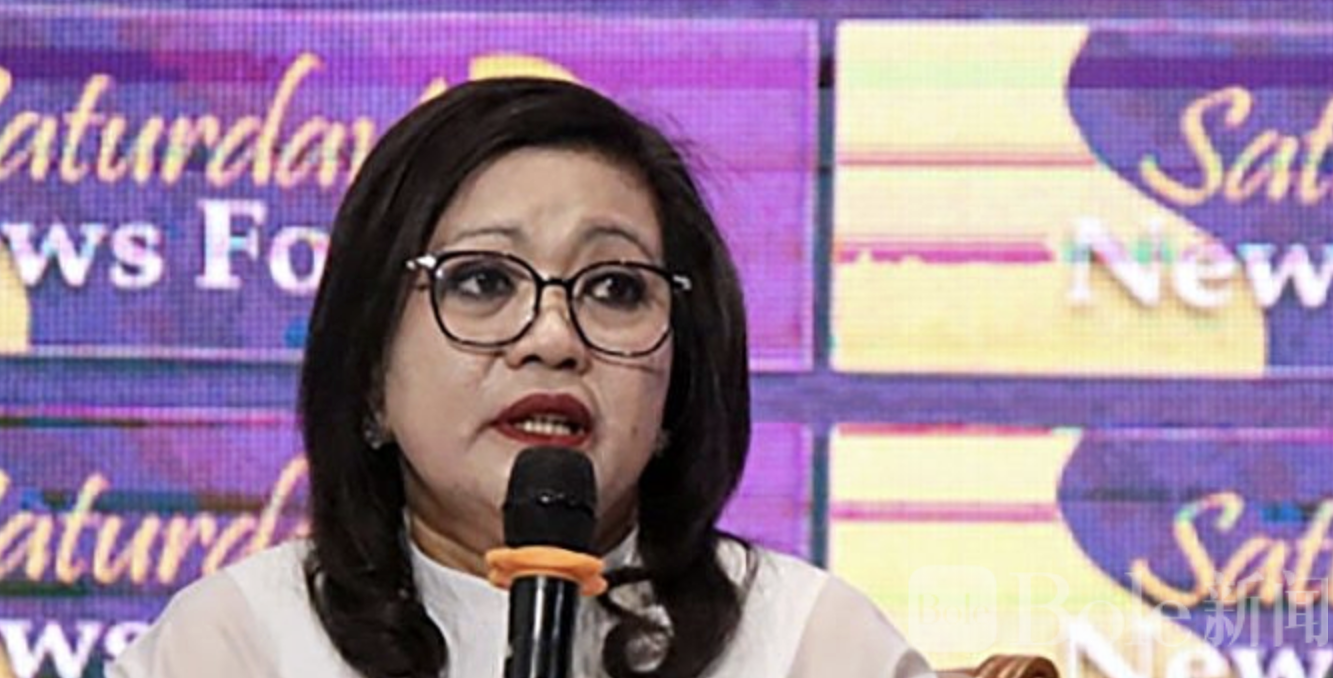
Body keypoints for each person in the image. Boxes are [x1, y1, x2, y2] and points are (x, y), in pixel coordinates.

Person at [107, 77, 936, 678]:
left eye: (615, 289)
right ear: (368, 377)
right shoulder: (239, 644)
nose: (553, 338)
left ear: (678, 386)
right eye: (482, 281)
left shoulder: (808, 647)